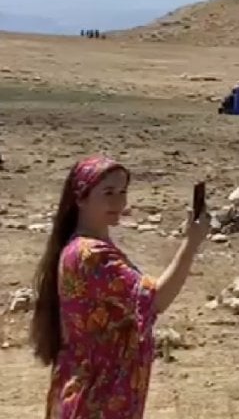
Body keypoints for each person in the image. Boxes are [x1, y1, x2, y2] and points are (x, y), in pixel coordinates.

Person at [31, 154, 210, 419]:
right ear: (81, 198)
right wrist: (191, 243)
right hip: (98, 399)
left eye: (123, 191)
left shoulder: (81, 247)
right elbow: (156, 299)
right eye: (108, 193)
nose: (119, 201)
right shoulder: (91, 255)